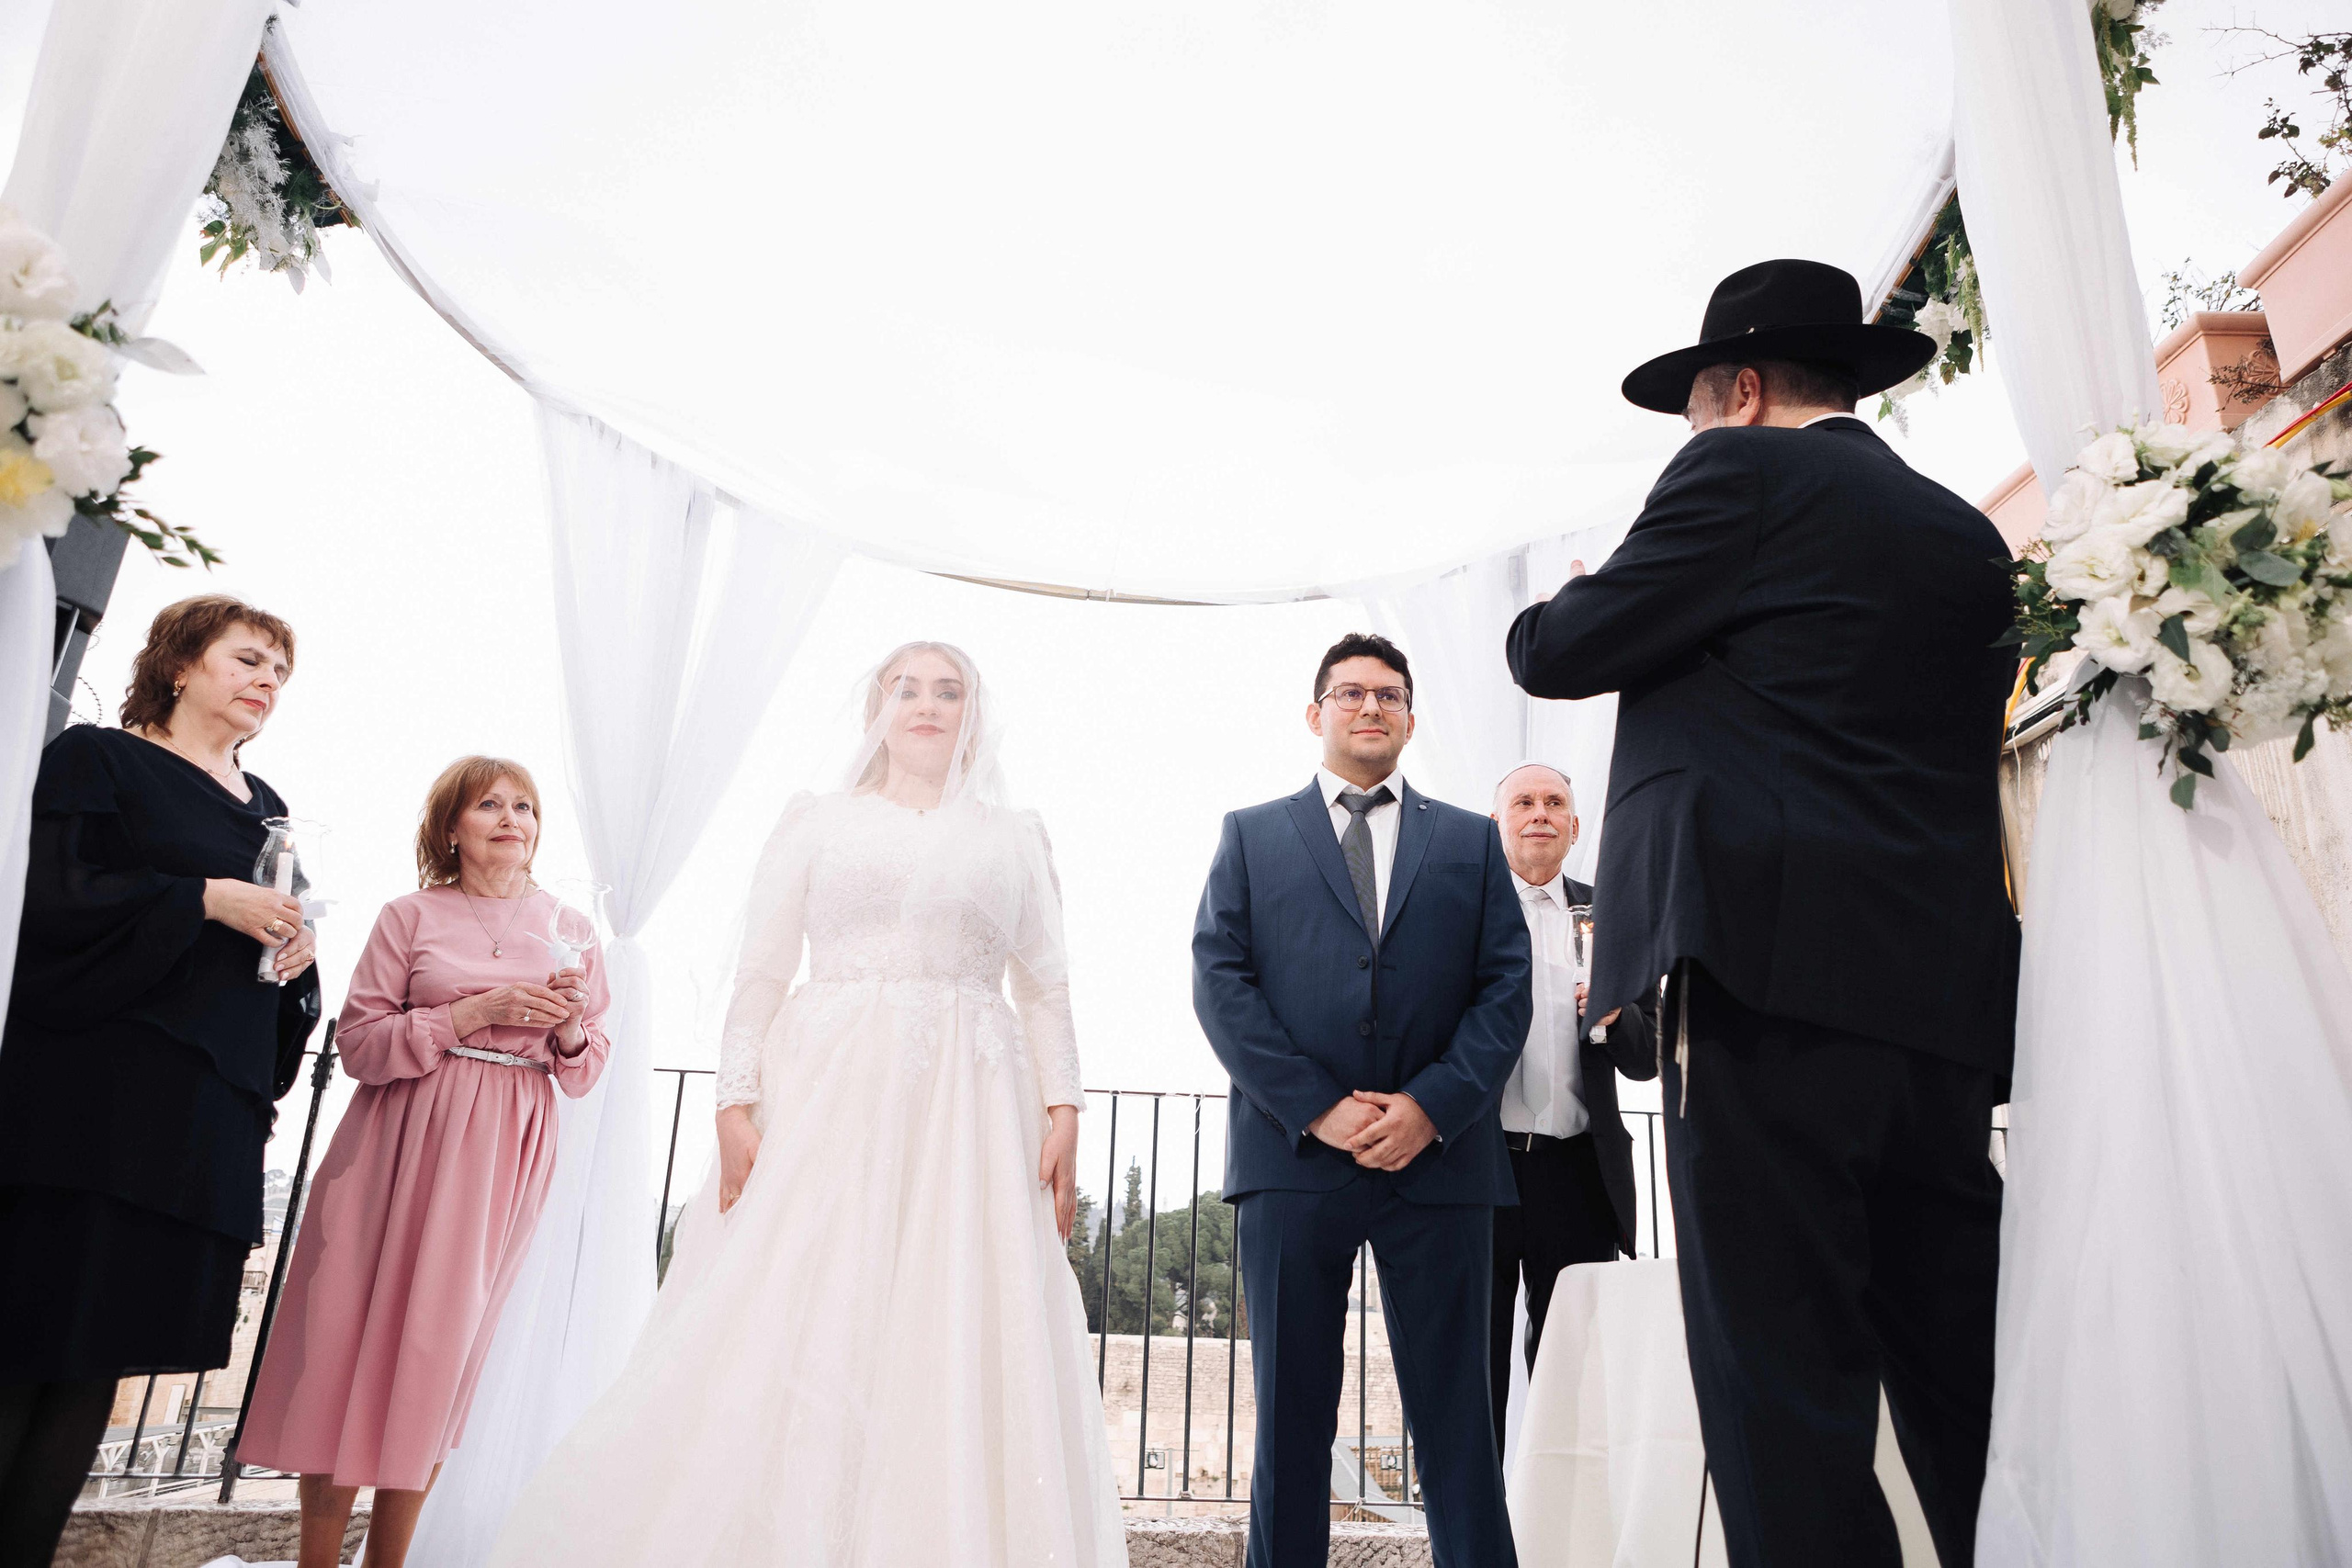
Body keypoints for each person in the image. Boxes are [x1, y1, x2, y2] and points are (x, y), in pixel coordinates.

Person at [1505, 258, 2018, 1568]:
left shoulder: (1735, 473)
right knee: (1961, 1365)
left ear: (1738, 389)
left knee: (1780, 1376)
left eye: (1692, 405)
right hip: (1942, 1002)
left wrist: (1583, 590)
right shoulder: (1967, 535)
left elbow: (1557, 651)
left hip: (1761, 982)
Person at [486, 641, 1125, 1567]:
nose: (927, 704)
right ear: (876, 708)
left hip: (974, 1109)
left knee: (953, 1311)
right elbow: (762, 969)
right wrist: (733, 1102)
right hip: (828, 1089)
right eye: (907, 687)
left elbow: (1045, 986)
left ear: (974, 714)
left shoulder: (1014, 836)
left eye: (948, 690)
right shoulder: (817, 821)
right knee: (800, 1302)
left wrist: (1064, 1108)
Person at [1193, 632, 1531, 1568]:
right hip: (1293, 1160)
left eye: (1388, 694)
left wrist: (1430, 1108)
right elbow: (1219, 981)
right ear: (1317, 714)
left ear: (1411, 718)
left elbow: (1506, 988)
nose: (1370, 706)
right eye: (1350, 693)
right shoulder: (1250, 834)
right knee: (1290, 1416)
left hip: (1442, 1163)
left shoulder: (1470, 839)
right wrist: (1316, 1108)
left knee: (1461, 1420)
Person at [0, 595, 320, 1568]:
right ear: (180, 665)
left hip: (193, 1119)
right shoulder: (97, 759)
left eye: (280, 671)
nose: (267, 681)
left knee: (97, 1356)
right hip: (88, 1103)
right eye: (249, 659)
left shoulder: (266, 806)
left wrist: (298, 950)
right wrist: (201, 899)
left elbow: (274, 940)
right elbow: (48, 897)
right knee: (23, 1342)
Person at [237, 757, 610, 1568]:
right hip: (394, 1145)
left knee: (439, 1359)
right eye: (489, 804)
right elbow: (360, 1044)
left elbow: (585, 1071)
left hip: (502, 1157)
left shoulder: (572, 927)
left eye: (524, 806)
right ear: (451, 827)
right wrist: (470, 1013)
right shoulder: (408, 915)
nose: (511, 818)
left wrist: (570, 1029)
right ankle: (316, 1560)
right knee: (340, 1341)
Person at [1483, 761, 1654, 1453]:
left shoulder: (1614, 914)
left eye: (1554, 802)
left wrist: (1616, 1014)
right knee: (1472, 1360)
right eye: (1523, 802)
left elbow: (1648, 1052)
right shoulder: (1462, 909)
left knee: (1572, 1371)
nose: (1539, 813)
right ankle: (1473, 1512)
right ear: (1497, 823)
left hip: (1579, 1173)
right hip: (1479, 1168)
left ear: (1575, 826)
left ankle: (1562, 1508)